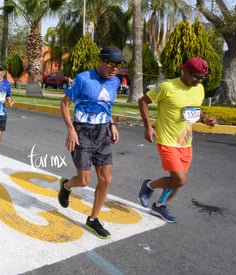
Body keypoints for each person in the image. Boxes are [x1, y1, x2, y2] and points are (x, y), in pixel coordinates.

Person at [137, 57, 216, 223]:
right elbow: (143, 101)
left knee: (177, 182)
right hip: (167, 141)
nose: (199, 80)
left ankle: (160, 205)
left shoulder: (199, 88)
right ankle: (148, 186)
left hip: (186, 143)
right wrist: (147, 126)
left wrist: (205, 119)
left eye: (203, 77)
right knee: (180, 179)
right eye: (196, 76)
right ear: (185, 71)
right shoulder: (167, 87)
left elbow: (196, 109)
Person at [58, 46, 124, 239]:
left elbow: (107, 106)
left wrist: (112, 124)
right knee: (85, 181)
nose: (114, 69)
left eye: (118, 65)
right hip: (82, 132)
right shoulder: (83, 79)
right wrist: (71, 130)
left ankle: (93, 219)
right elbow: (64, 104)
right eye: (111, 64)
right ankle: (67, 186)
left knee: (106, 179)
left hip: (103, 132)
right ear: (100, 61)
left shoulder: (116, 82)